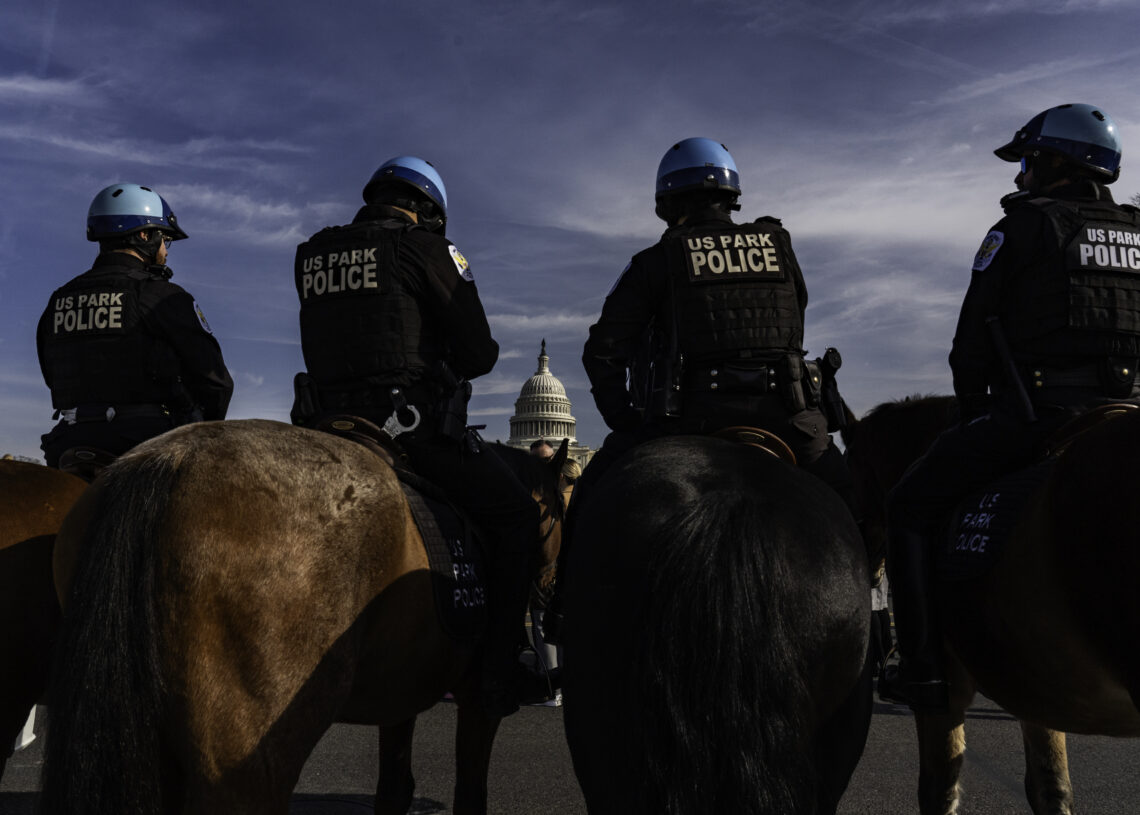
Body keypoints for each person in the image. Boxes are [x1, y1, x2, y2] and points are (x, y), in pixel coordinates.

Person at [880, 103, 1140, 712]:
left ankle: (921, 670)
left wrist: (975, 414)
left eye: (1026, 161)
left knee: (908, 507)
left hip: (1044, 412)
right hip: (1132, 406)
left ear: (1054, 162)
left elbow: (970, 348)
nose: (1020, 175)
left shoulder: (1021, 228)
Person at [544, 137, 853, 643]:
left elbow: (602, 352)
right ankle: (894, 637)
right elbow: (796, 319)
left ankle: (563, 610)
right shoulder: (779, 246)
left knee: (587, 503)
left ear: (667, 203)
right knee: (860, 509)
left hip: (689, 418)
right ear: (732, 197)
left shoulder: (657, 260)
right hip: (789, 420)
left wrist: (628, 423)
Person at [289, 156, 539, 717]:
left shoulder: (311, 252)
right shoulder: (426, 248)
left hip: (323, 424)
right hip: (411, 430)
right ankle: (502, 662)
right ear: (428, 210)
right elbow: (478, 352)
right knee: (518, 517)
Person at [37, 183, 233, 472]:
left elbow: (52, 375)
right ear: (145, 235)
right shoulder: (161, 295)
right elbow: (215, 382)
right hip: (146, 446)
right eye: (165, 239)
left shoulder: (58, 300)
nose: (166, 250)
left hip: (69, 443)